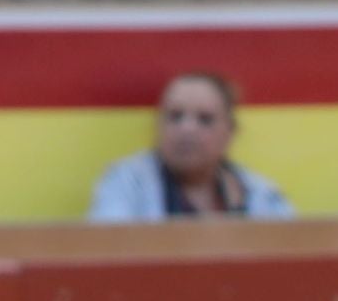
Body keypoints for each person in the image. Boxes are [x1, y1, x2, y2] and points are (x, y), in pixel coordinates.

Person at [86, 73, 293, 222]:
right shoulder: (126, 183)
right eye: (175, 116)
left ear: (230, 133)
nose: (187, 130)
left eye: (205, 120)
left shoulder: (261, 194)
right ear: (158, 126)